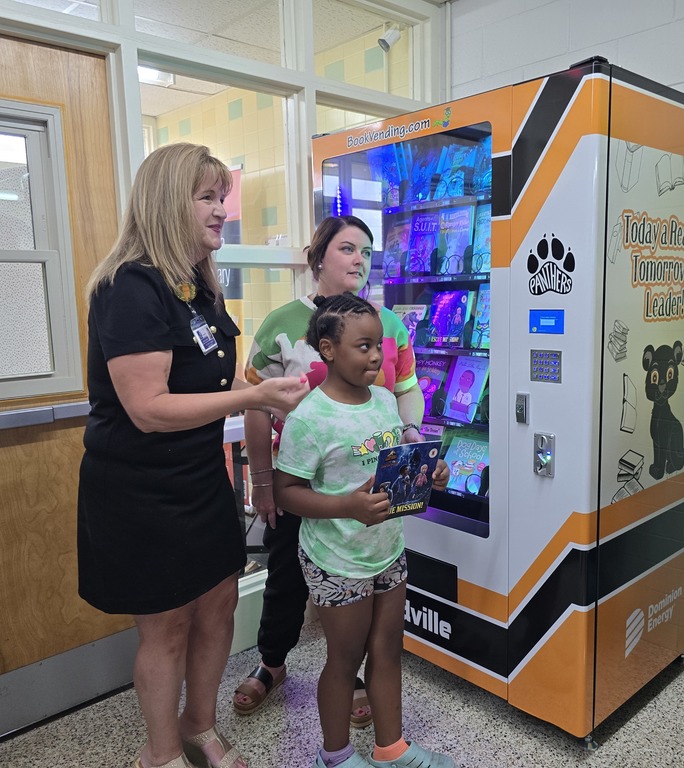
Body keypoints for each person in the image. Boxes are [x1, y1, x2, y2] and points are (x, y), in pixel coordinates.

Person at [77, 142, 308, 768]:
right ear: (164, 201)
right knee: (167, 626)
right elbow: (148, 407)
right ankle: (161, 754)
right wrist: (251, 397)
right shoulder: (130, 288)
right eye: (206, 197)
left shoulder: (198, 289)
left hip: (201, 480)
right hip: (141, 491)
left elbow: (212, 384)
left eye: (222, 198)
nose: (220, 212)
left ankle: (198, 726)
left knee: (220, 604)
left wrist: (270, 395)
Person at [233, 216, 425, 726]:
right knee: (287, 579)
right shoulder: (281, 323)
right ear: (318, 257)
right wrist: (265, 481)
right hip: (302, 479)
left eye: (367, 252)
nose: (359, 260)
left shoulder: (390, 327)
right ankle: (273, 663)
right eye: (347, 249)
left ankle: (353, 675)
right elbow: (256, 405)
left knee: (363, 586)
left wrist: (410, 441)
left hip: (366, 482)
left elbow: (405, 388)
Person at [274, 293, 454, 768]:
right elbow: (286, 490)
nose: (376, 356)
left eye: (380, 345)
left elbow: (393, 467)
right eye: (363, 346)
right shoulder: (310, 418)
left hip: (387, 549)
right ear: (328, 349)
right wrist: (345, 507)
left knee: (387, 650)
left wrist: (428, 474)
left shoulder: (382, 400)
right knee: (344, 658)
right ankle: (333, 756)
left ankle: (391, 749)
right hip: (337, 559)